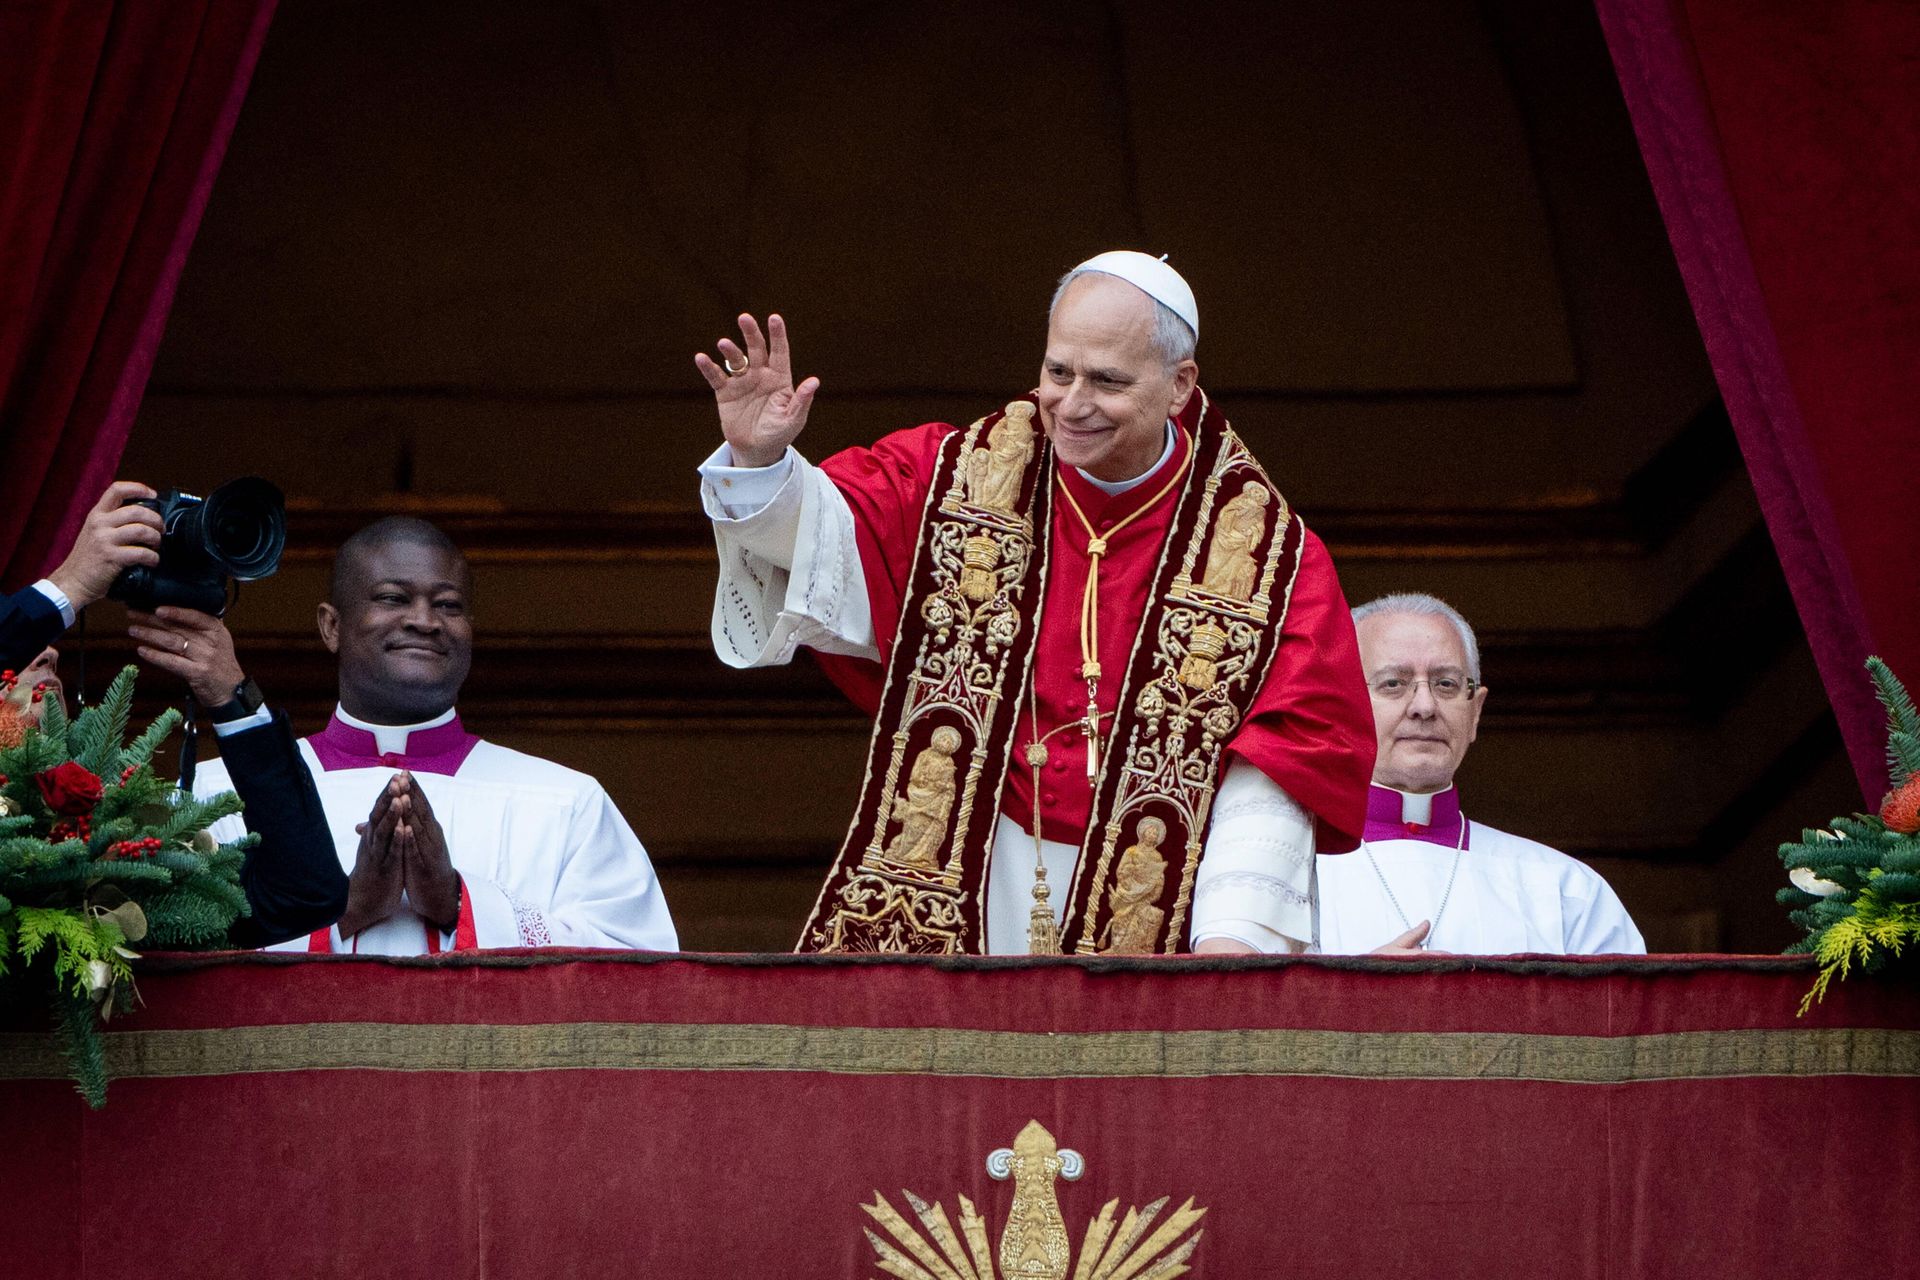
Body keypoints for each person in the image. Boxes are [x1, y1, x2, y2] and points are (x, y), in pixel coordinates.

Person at [696, 251, 1375, 956]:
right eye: (1058, 372)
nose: (1072, 404)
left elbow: (1289, 750)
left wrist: (1232, 943)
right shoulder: (957, 478)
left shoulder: (1268, 556)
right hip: (974, 867)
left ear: (1180, 385)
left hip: (1171, 914)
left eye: (1106, 381)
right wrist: (760, 461)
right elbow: (826, 541)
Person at [197, 516, 678, 954]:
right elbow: (177, 963)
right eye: (393, 598)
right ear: (331, 626)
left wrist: (458, 901)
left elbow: (638, 974)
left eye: (447, 604)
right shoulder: (218, 795)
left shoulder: (568, 801)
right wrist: (346, 911)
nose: (424, 621)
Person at [0, 479, 347, 946]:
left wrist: (233, 697)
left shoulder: (123, 846)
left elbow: (304, 894)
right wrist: (69, 587)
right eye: (17, 643)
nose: (49, 654)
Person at [1317, 592, 1645, 955]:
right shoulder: (1282, 879)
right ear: (1341, 706)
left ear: (1475, 713)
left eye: (1446, 684)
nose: (1424, 707)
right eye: (1393, 683)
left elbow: (1623, 1011)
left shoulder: (1565, 892)